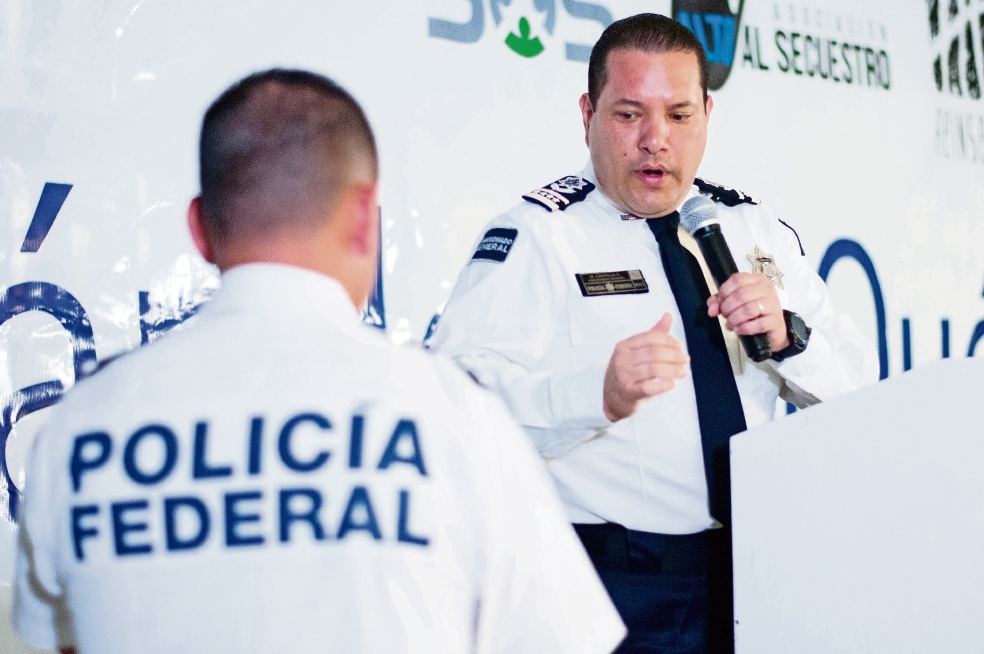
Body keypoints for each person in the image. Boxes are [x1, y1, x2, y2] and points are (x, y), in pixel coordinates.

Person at [12, 69, 626, 654]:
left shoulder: (79, 426)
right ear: (364, 219)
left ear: (198, 229)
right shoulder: (454, 417)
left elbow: (64, 635)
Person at [429, 14, 878, 654]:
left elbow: (865, 388)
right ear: (587, 113)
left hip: (763, 575)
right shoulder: (539, 237)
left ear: (708, 113)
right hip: (615, 586)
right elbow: (456, 409)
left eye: (679, 115)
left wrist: (788, 337)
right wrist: (597, 395)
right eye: (628, 114)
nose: (654, 140)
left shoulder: (755, 232)